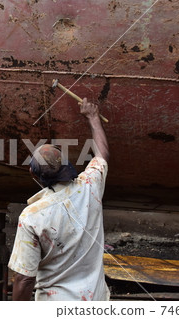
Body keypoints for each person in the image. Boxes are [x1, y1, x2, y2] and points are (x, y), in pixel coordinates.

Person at [8, 98, 110, 301]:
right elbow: (102, 154)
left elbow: (24, 279)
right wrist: (93, 117)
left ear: (34, 175)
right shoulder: (90, 186)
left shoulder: (31, 217)